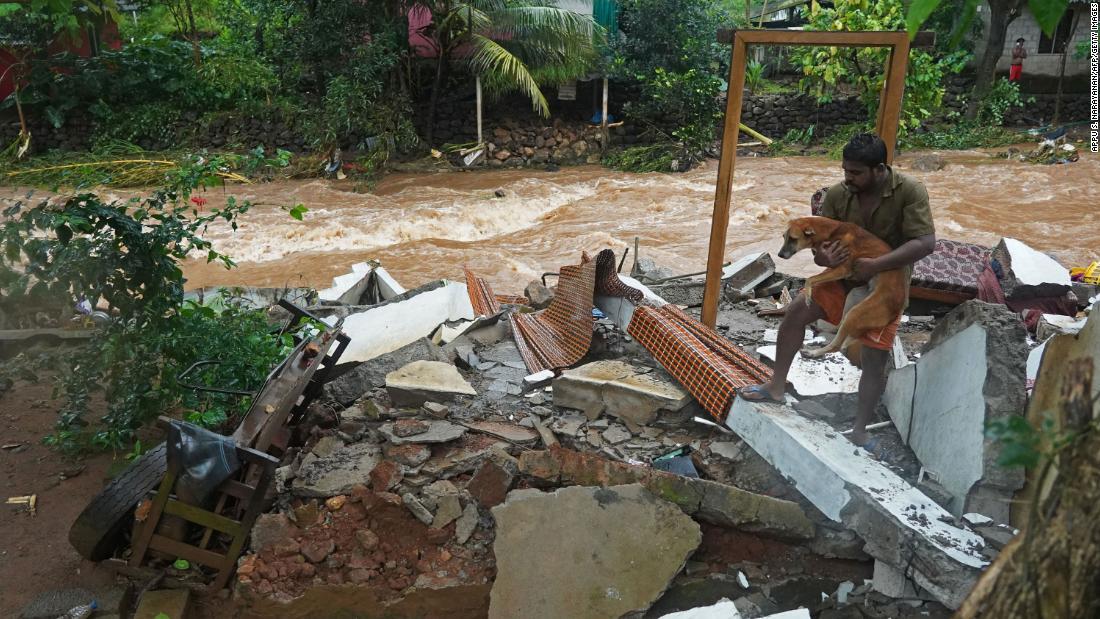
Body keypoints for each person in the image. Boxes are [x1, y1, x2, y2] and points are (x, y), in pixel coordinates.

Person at [739, 133, 936, 452]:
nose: (848, 179)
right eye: (846, 171)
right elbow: (819, 248)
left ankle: (859, 430)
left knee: (874, 357)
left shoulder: (909, 191)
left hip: (886, 282)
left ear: (878, 170)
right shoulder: (837, 195)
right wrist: (823, 259)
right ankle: (775, 387)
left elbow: (925, 244)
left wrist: (875, 265)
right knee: (795, 313)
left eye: (856, 173)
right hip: (843, 277)